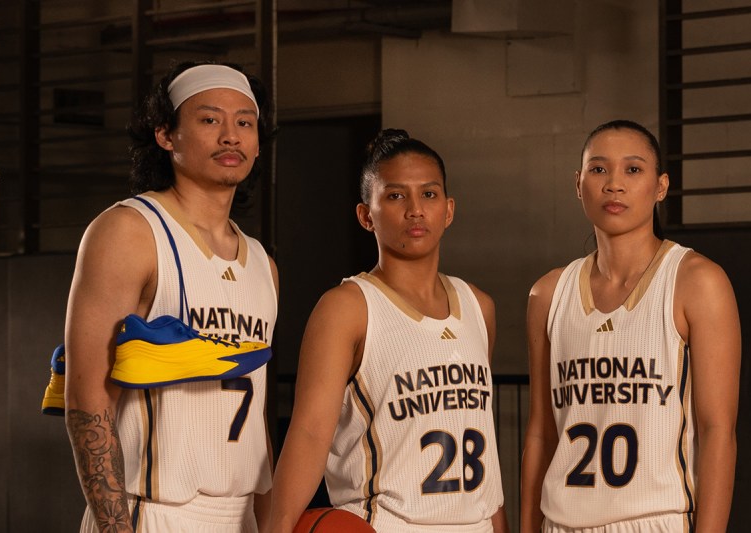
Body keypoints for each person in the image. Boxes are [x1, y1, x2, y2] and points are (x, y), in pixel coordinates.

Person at [61, 61, 280, 532]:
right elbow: (86, 394)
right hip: (152, 512)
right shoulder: (129, 230)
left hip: (240, 514)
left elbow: (256, 413)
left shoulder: (264, 264)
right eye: (209, 119)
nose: (231, 136)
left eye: (245, 122)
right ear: (165, 135)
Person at [262, 130, 508, 533]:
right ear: (365, 215)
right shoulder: (347, 307)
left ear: (448, 210)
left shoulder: (479, 306)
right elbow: (308, 434)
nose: (415, 210)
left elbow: (480, 435)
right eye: (395, 196)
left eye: (428, 195)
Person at [518, 120, 741, 533]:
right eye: (599, 169)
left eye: (633, 170)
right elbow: (540, 433)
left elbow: (718, 432)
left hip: (655, 521)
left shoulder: (696, 281)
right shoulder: (548, 294)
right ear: (578, 183)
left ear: (660, 187)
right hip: (561, 522)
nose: (614, 185)